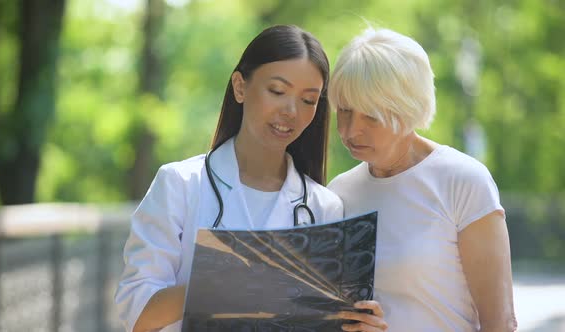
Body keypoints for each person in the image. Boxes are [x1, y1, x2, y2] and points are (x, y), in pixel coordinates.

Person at [115, 25, 346, 332]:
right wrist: (223, 286)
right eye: (277, 91)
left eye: (308, 100)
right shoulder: (180, 184)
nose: (291, 111)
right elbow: (137, 314)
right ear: (240, 86)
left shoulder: (324, 207)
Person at [328, 27, 517, 331]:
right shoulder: (337, 194)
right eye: (345, 111)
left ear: (409, 108)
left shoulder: (463, 181)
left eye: (371, 116)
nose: (350, 131)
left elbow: (501, 323)